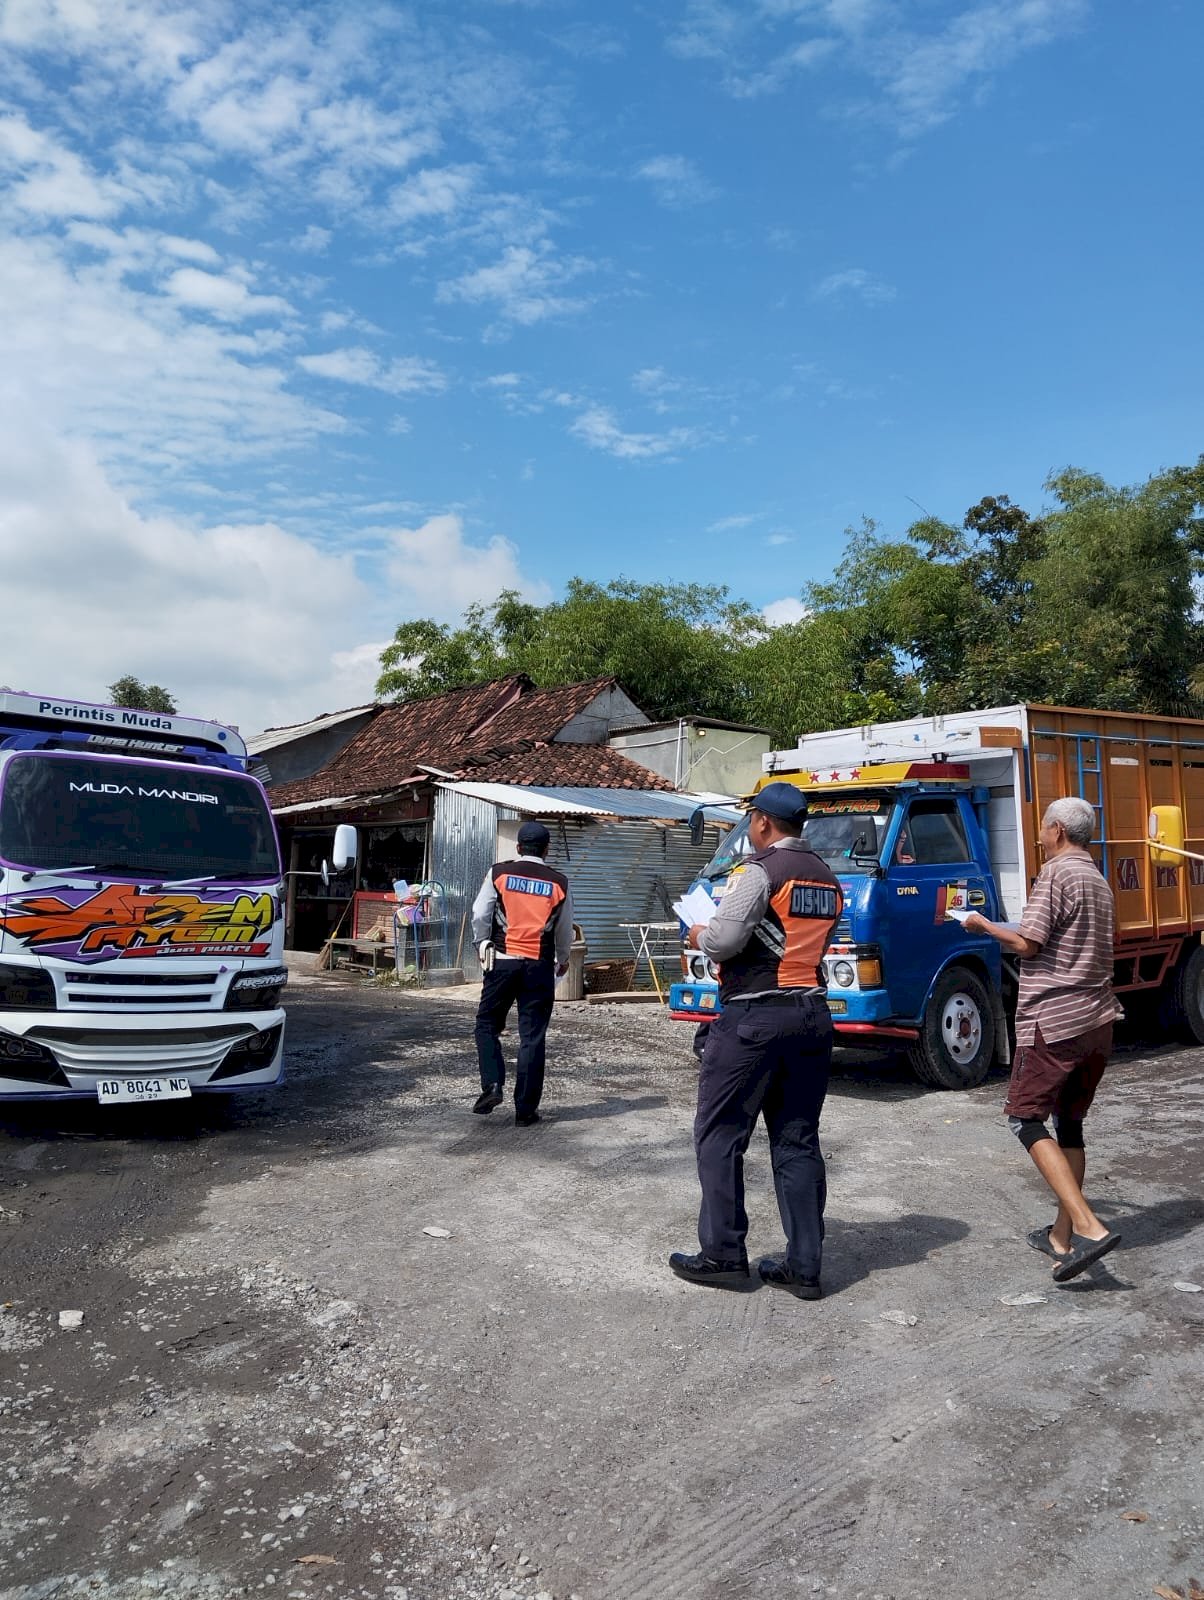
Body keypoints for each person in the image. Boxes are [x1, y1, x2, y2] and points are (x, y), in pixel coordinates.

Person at [669, 782, 843, 1299]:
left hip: (753, 1018)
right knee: (797, 1139)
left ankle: (723, 1254)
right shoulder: (828, 879)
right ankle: (803, 1265)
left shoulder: (760, 872)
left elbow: (723, 942)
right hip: (812, 1017)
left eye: (751, 821)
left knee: (720, 1133)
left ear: (762, 822)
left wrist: (696, 933)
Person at [963, 796, 1123, 1284]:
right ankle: (1061, 1237)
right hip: (1097, 1020)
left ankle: (1089, 1227)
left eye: (1042, 827)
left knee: (1024, 1119)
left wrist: (981, 924)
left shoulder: (1055, 874)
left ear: (1057, 830)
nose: (1038, 834)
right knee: (1069, 1126)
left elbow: (1027, 944)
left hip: (1055, 1022)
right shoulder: (1097, 880)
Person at [470, 820, 573, 1127]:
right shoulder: (559, 882)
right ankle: (525, 1111)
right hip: (538, 966)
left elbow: (480, 913)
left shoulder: (499, 873)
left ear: (518, 848)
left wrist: (481, 943)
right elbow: (565, 930)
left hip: (502, 962)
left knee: (487, 1023)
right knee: (532, 1036)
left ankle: (492, 1084)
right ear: (546, 849)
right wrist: (564, 958)